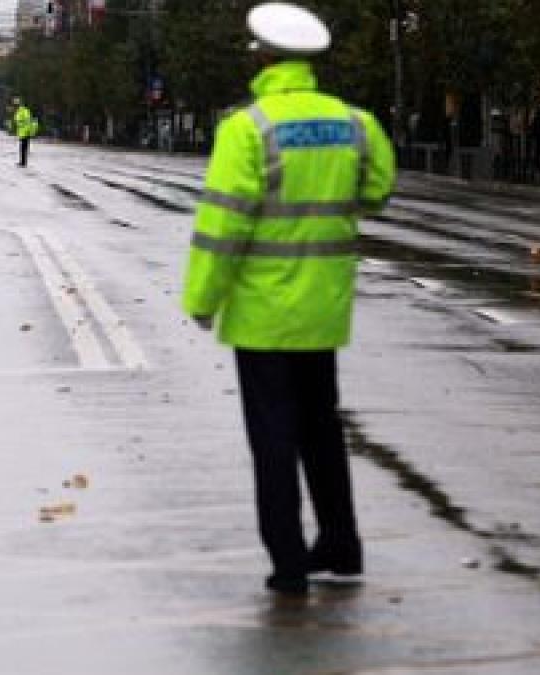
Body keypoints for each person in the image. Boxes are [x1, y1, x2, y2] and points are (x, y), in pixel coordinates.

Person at [182, 2, 395, 596]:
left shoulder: (247, 129)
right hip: (325, 310)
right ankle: (342, 543)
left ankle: (289, 559)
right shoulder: (355, 123)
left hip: (262, 316)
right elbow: (377, 190)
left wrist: (202, 299)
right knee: (322, 430)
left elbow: (222, 226)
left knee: (273, 440)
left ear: (262, 58)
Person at [10, 97, 38, 167]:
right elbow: (18, 121)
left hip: (25, 132)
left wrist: (29, 130)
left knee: (23, 148)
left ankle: (23, 162)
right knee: (22, 148)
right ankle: (22, 162)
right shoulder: (19, 111)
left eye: (15, 104)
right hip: (22, 132)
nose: (14, 106)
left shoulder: (24, 111)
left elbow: (28, 120)